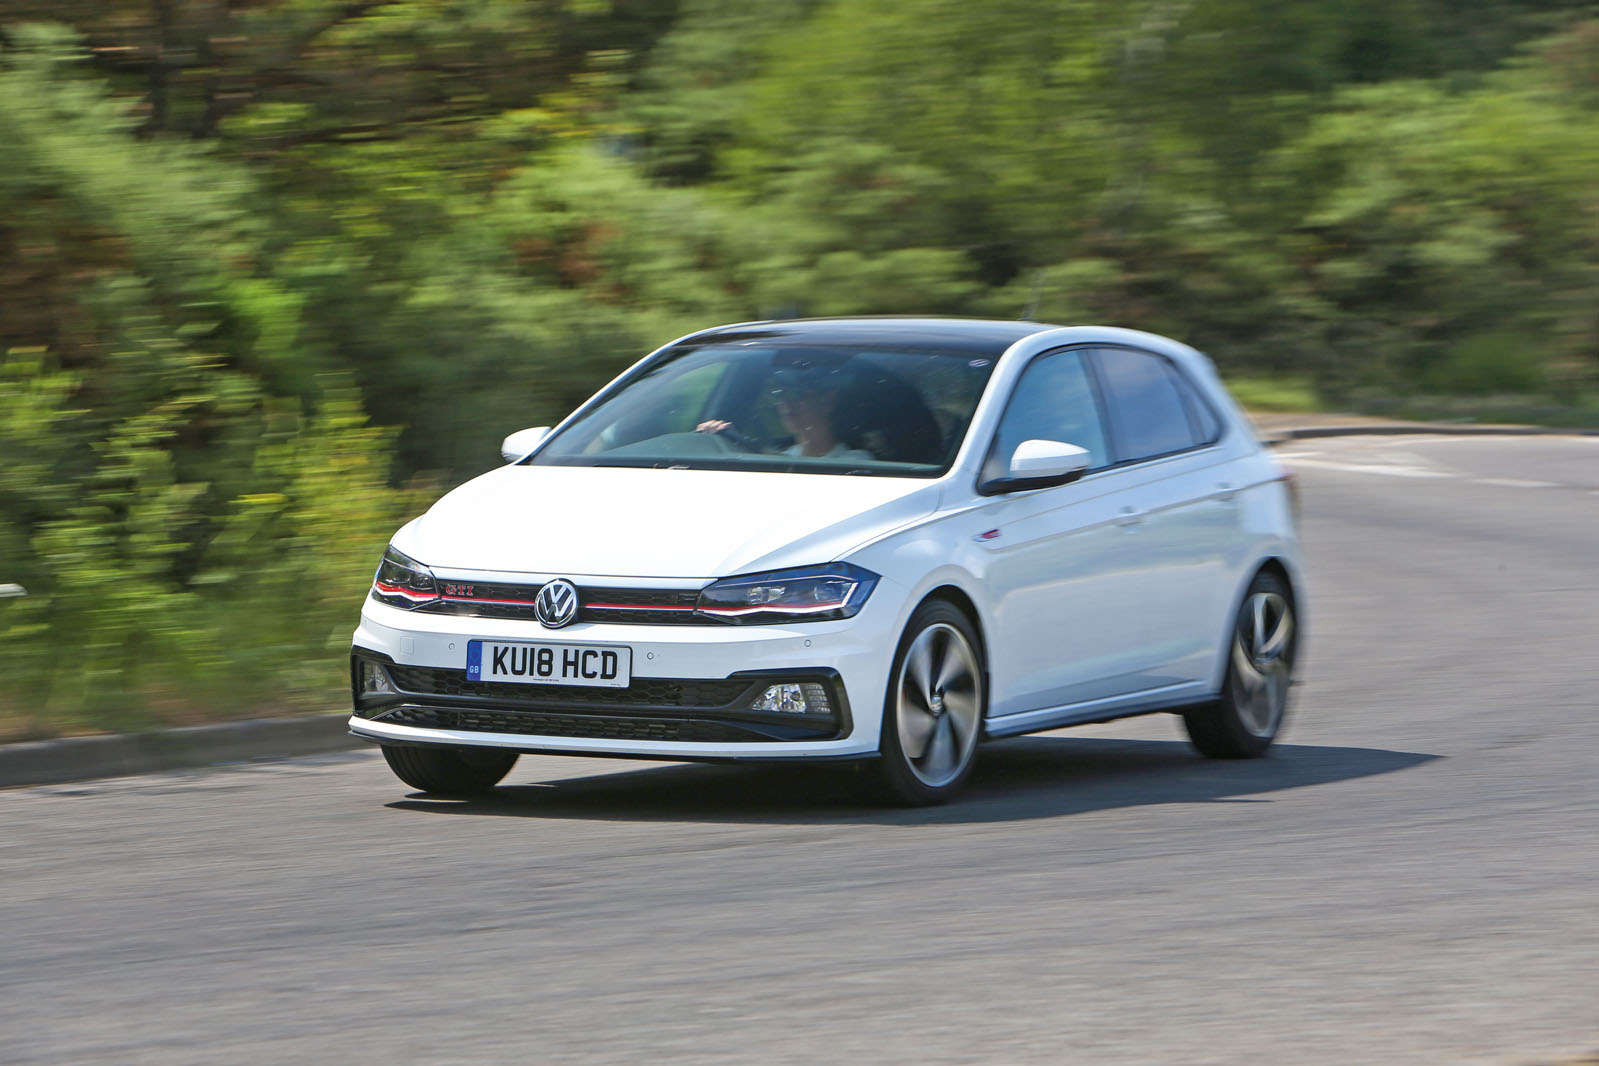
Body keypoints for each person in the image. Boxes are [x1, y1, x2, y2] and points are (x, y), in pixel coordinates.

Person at [696, 364, 873, 461]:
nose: (785, 403)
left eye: (797, 394)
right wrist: (716, 438)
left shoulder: (856, 461)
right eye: (781, 394)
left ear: (827, 401)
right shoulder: (786, 455)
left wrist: (755, 452)